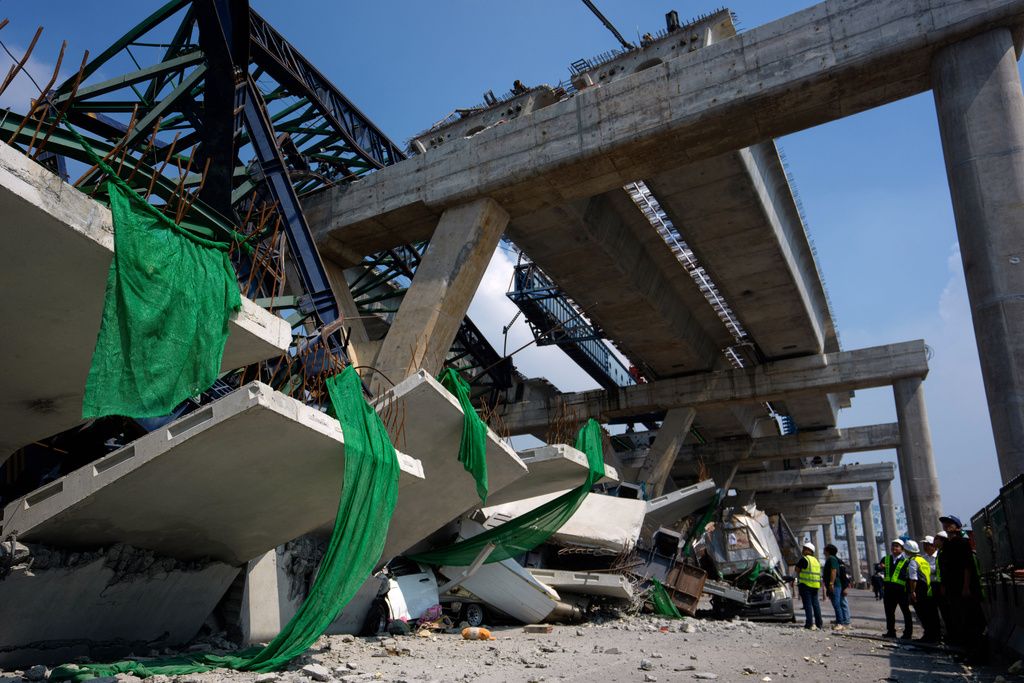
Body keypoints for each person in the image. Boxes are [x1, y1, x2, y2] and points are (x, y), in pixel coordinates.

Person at [937, 514, 988, 663]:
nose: (946, 526)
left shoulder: (962, 543)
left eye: (949, 523)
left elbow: (967, 567)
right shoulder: (947, 545)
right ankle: (966, 651)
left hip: (964, 589)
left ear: (957, 527)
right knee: (959, 622)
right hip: (953, 589)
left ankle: (977, 655)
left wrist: (966, 587)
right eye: (945, 524)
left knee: (971, 623)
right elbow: (946, 569)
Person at [904, 540, 940, 643]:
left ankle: (928, 636)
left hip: (919, 591)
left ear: (907, 551)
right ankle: (934, 636)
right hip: (927, 590)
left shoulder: (913, 561)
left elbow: (913, 578)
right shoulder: (923, 560)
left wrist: (912, 592)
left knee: (923, 614)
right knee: (931, 614)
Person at [881, 538, 913, 639]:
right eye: (893, 546)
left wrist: (910, 591)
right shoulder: (886, 559)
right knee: (889, 612)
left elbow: (909, 576)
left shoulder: (906, 561)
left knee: (906, 612)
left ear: (902, 549)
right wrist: (880, 566)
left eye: (897, 546)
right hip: (889, 591)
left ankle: (907, 633)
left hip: (901, 591)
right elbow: (878, 568)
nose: (894, 548)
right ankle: (891, 632)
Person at [795, 542, 824, 630]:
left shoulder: (805, 559)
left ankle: (809, 624)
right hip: (815, 585)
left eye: (804, 549)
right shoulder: (816, 561)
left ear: (809, 550)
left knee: (807, 605)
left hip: (806, 585)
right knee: (816, 605)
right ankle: (819, 624)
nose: (803, 550)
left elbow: (797, 569)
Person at [823, 544, 851, 630]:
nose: (824, 551)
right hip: (834, 585)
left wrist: (831, 583)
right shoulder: (831, 559)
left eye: (825, 549)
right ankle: (841, 621)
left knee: (837, 604)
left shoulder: (832, 559)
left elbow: (833, 571)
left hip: (835, 585)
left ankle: (840, 623)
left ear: (828, 551)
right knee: (837, 603)